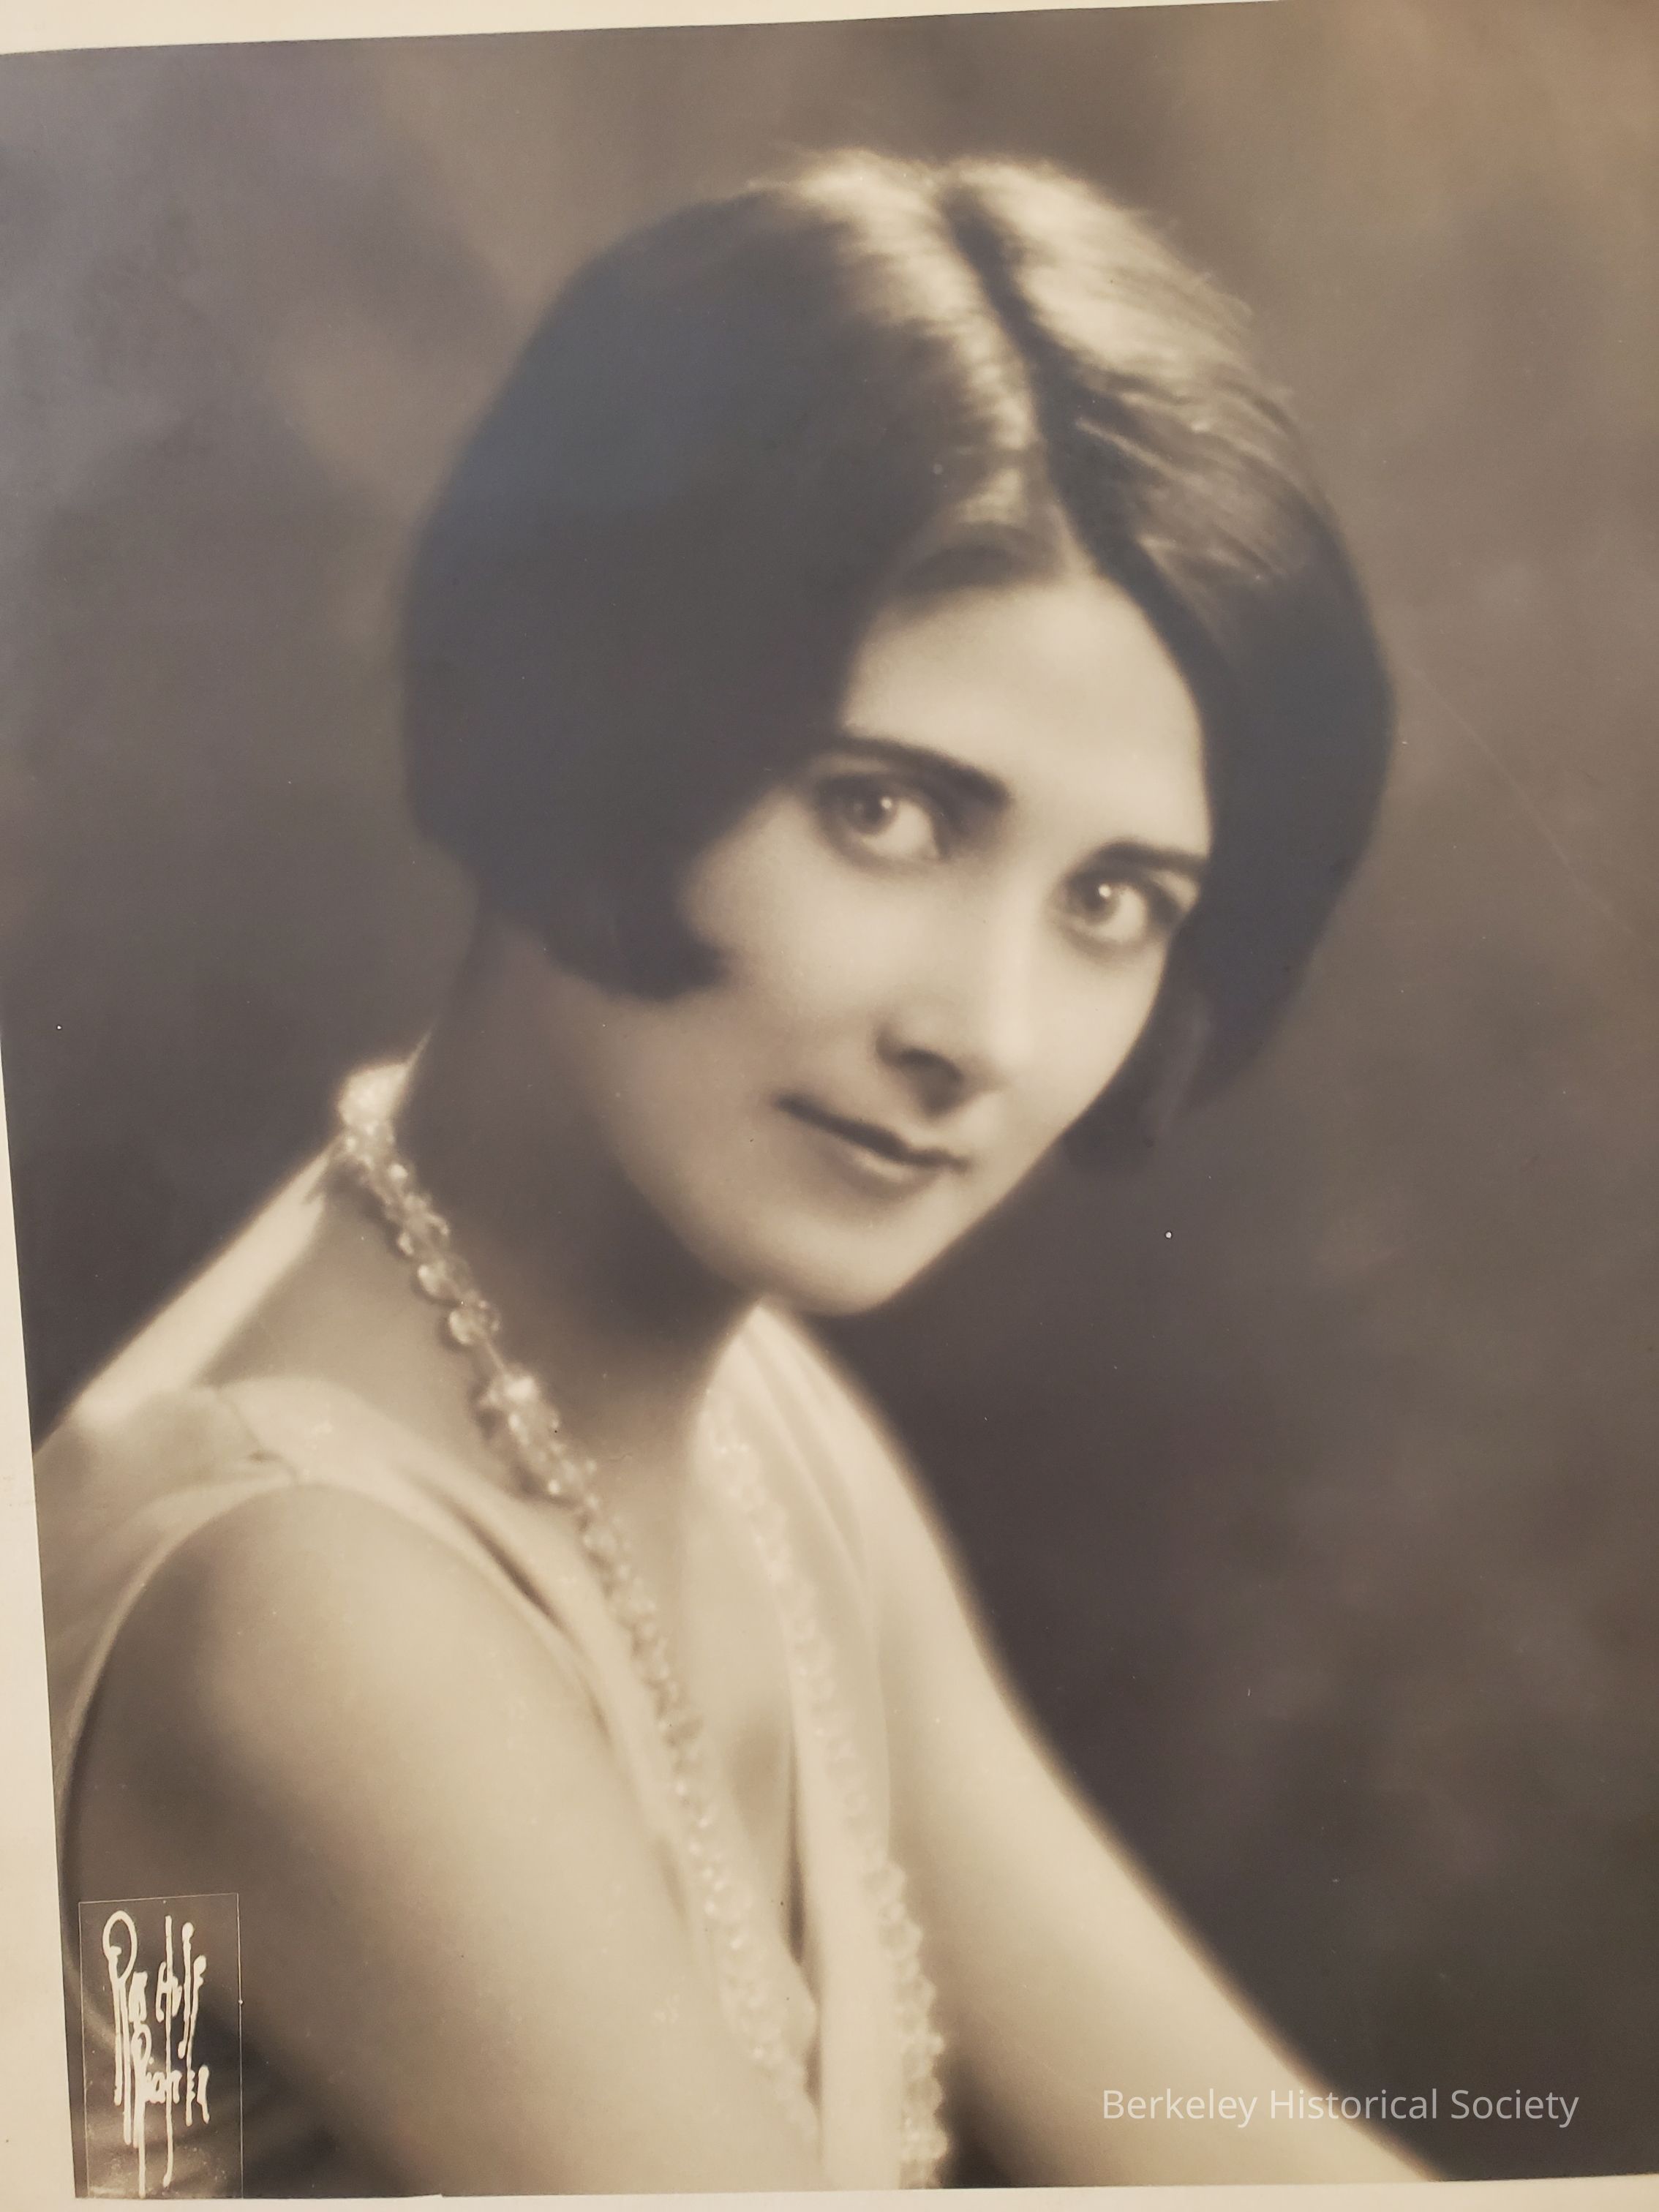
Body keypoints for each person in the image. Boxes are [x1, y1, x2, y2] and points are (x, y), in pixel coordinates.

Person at [34, 151, 1426, 2193]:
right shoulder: (302, 1599)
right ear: (591, 717)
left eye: (1113, 899)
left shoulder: (766, 1441)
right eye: (885, 810)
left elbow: (1243, 2164)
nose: (986, 1030)